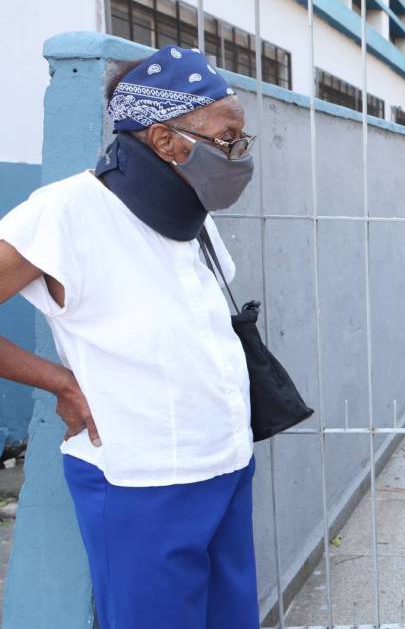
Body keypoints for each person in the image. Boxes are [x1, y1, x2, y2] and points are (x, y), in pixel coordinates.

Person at [0, 46, 259, 628]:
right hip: (140, 481)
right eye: (228, 138)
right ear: (166, 140)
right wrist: (58, 382)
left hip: (225, 463)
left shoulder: (190, 215)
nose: (240, 156)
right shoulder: (66, 212)